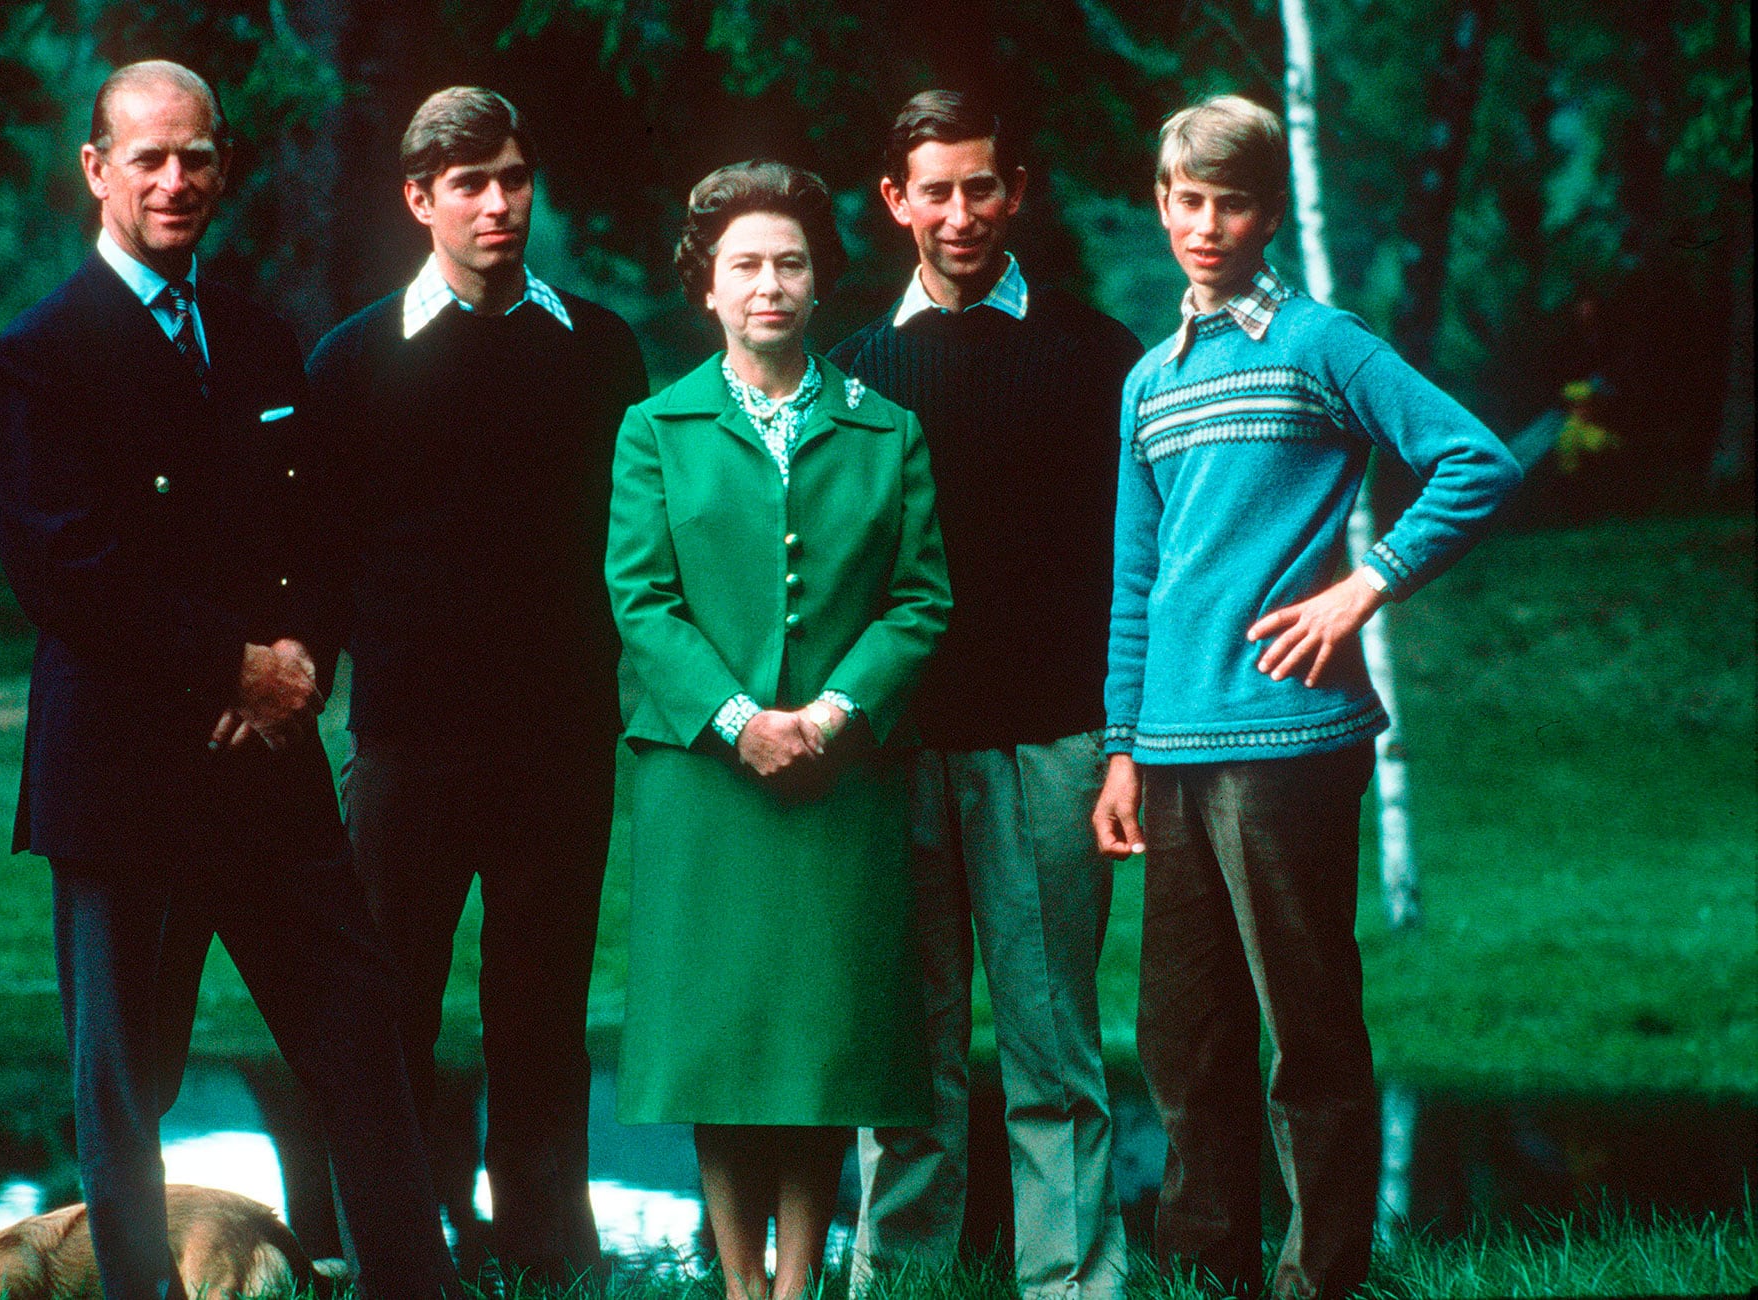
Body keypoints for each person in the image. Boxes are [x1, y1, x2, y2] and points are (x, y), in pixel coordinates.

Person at [0, 60, 460, 1300]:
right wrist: (232, 665)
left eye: (196, 155)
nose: (175, 179)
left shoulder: (254, 336)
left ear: (225, 164)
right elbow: (65, 574)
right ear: (96, 169)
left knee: (362, 1038)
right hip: (125, 781)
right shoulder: (34, 358)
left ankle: (417, 1284)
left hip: (270, 770)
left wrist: (298, 663)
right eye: (148, 157)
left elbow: (319, 534)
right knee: (128, 1085)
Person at [1092, 94, 1522, 1300]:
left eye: (1233, 201)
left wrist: (1363, 589)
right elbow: (1137, 577)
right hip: (1168, 749)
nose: (1208, 223)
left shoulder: (1321, 343)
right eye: (1188, 200)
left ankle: (1321, 1276)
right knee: (1184, 1041)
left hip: (1291, 739)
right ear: (1162, 205)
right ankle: (1208, 1271)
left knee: (1308, 1035)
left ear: (1269, 210)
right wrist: (1122, 750)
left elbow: (1475, 459)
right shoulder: (1147, 383)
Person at [304, 86, 649, 1282]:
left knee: (540, 1016)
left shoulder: (598, 349)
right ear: (419, 201)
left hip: (559, 745)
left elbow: (630, 552)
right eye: (469, 185)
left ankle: (550, 1253)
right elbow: (321, 563)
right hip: (406, 747)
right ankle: (396, 1253)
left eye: (512, 178)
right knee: (390, 1006)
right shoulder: (350, 363)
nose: (498, 204)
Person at [606, 160, 951, 1300]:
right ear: (705, 285)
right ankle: (740, 1288)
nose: (770, 284)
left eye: (790, 263)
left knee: (821, 1044)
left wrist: (832, 715)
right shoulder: (655, 426)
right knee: (721, 1040)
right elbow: (642, 600)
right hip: (706, 783)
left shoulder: (886, 428)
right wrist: (742, 720)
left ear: (820, 282)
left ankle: (801, 1286)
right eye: (745, 264)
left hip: (841, 780)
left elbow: (918, 599)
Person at [829, 90, 1141, 1300]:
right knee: (906, 1057)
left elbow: (1138, 562)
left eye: (984, 186)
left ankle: (1073, 1282)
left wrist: (1122, 742)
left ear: (1018, 192)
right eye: (936, 190)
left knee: (1052, 1049)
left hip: (1050, 747)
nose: (962, 214)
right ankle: (897, 1280)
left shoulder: (1097, 354)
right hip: (894, 757)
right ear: (896, 200)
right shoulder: (854, 374)